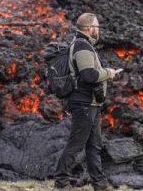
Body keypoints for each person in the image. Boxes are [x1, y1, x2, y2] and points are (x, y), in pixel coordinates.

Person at [54, 13, 120, 190]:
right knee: (76, 144)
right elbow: (89, 75)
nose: (98, 30)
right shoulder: (82, 46)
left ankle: (99, 183)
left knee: (94, 145)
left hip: (91, 104)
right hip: (83, 103)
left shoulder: (85, 45)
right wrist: (109, 73)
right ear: (88, 28)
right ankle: (61, 182)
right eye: (97, 27)